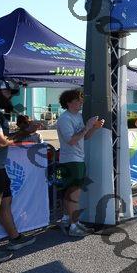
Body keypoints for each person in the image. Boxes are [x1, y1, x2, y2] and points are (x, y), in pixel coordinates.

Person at [0, 80, 37, 264]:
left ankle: (15, 237)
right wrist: (24, 133)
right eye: (8, 93)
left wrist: (24, 131)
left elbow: (2, 139)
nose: (11, 97)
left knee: (5, 203)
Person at [56, 89, 104, 237]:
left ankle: (70, 222)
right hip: (70, 161)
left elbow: (85, 137)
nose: (81, 102)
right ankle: (74, 225)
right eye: (77, 100)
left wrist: (94, 128)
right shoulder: (65, 119)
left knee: (70, 194)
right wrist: (88, 126)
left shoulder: (77, 116)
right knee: (74, 196)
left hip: (76, 160)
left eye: (81, 99)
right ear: (68, 103)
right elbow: (71, 140)